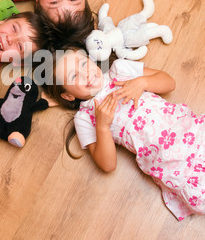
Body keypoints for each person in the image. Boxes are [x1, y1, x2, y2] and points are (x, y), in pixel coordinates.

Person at [44, 47, 205, 221]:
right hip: (173, 164)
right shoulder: (84, 118)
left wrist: (142, 83)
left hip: (192, 132)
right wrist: (103, 127)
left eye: (83, 63)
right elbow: (107, 165)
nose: (85, 73)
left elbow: (169, 83)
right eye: (73, 76)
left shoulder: (119, 70)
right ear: (68, 96)